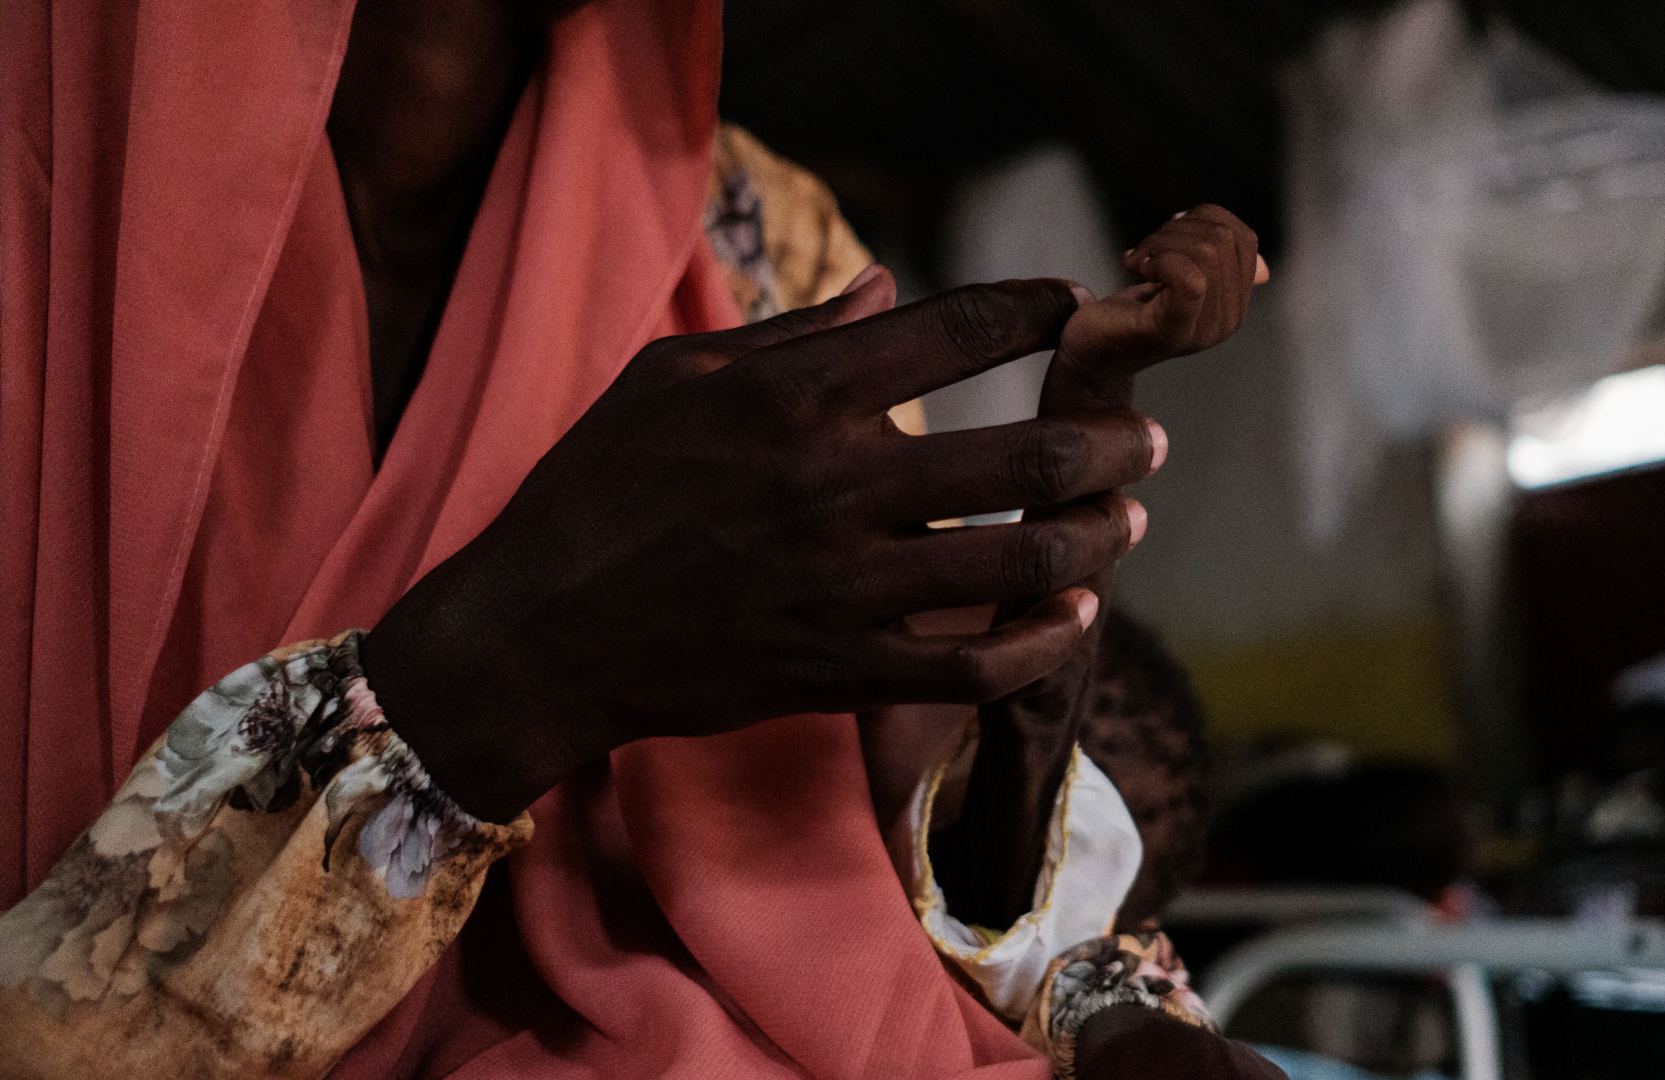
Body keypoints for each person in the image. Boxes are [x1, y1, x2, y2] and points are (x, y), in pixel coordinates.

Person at [0, 2, 1283, 1077]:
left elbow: (864, 828)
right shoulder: (40, 164)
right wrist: (509, 665)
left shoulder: (761, 239)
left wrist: (1103, 976)